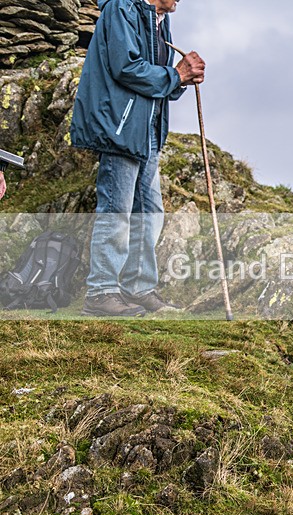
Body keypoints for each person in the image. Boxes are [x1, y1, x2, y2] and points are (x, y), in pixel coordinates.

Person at [69, 0, 205, 317]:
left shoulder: (157, 20)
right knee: (116, 210)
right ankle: (101, 291)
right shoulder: (121, 8)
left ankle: (138, 287)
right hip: (121, 127)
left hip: (147, 131)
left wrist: (182, 78)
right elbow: (125, 68)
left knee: (149, 212)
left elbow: (159, 82)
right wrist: (176, 74)